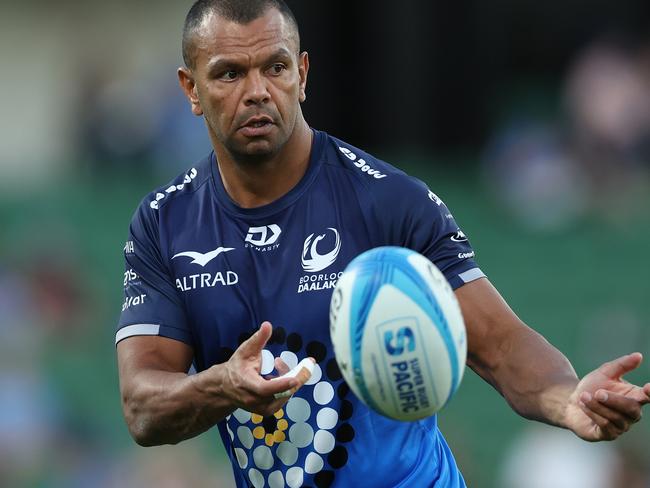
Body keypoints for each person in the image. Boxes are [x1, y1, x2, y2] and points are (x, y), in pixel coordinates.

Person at [115, 1, 650, 487]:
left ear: (301, 75)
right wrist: (221, 386)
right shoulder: (165, 224)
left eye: (274, 67)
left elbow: (501, 345)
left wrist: (567, 399)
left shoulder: (389, 202)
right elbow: (142, 406)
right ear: (191, 90)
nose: (256, 90)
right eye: (229, 73)